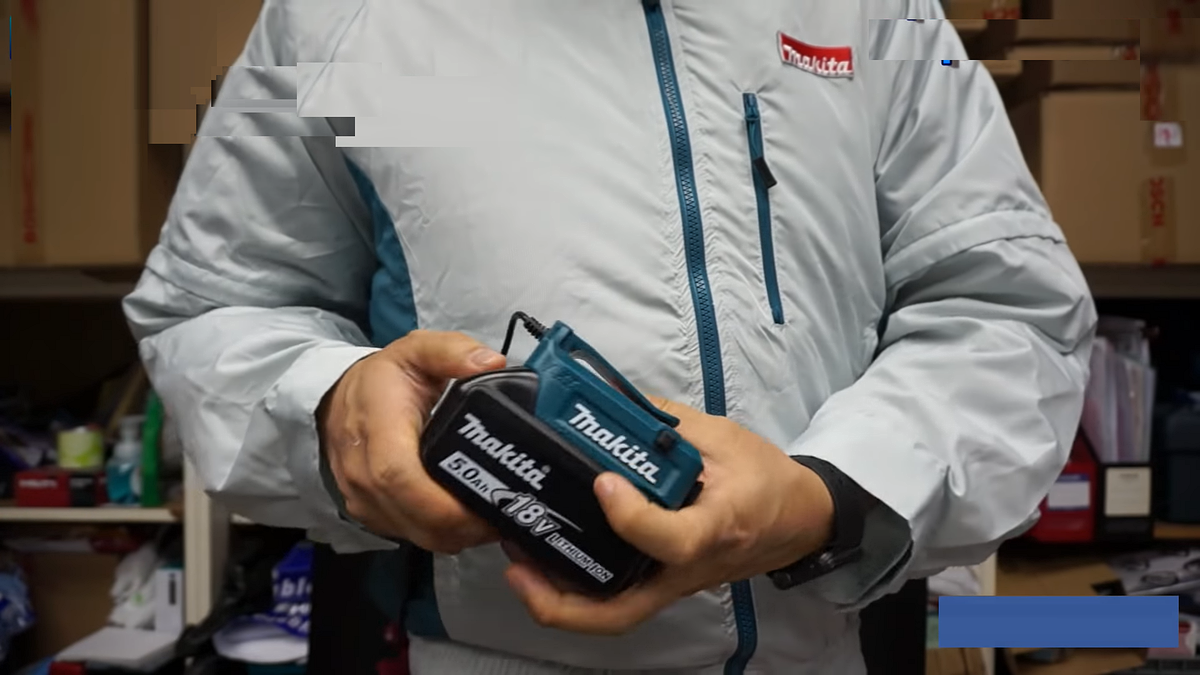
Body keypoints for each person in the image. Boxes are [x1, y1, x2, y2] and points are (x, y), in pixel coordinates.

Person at [123, 1, 1097, 673]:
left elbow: (1004, 305)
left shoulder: (886, 15)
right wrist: (329, 408)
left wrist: (829, 496)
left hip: (831, 643)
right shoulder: (339, 19)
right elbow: (215, 305)